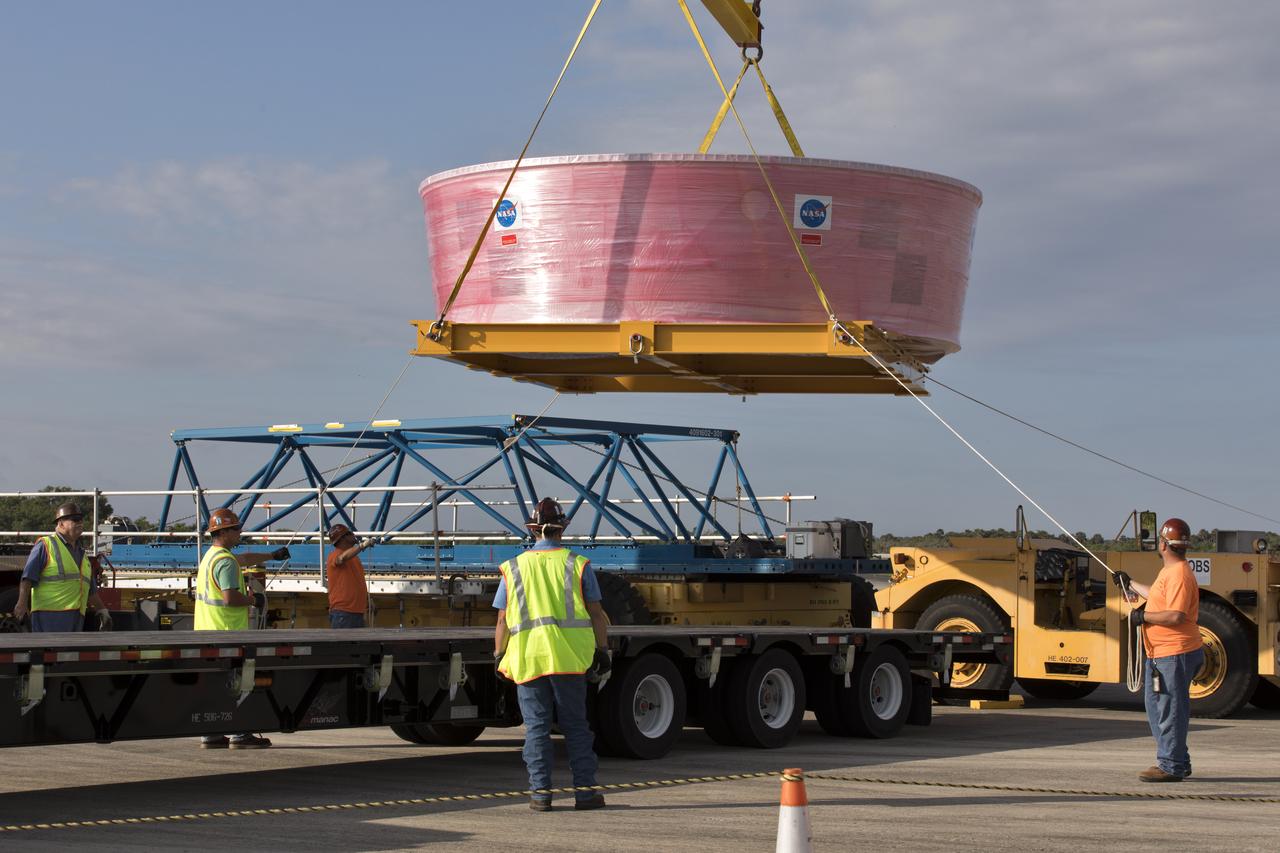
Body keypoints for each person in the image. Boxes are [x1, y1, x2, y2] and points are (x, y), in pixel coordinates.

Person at [493, 498, 612, 811]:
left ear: (533, 530)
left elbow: (502, 619)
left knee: (536, 729)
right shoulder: (578, 564)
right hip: (569, 659)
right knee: (575, 727)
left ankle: (540, 795)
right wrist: (603, 651)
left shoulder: (513, 567)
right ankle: (585, 794)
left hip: (529, 660)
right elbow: (596, 614)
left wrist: (498, 654)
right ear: (563, 529)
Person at [1112, 517, 1204, 782]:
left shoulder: (1179, 574)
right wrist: (1129, 583)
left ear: (1164, 544)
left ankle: (1171, 765)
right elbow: (1156, 594)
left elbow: (1175, 616)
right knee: (1159, 706)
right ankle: (1176, 760)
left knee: (1168, 708)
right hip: (1162, 653)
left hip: (1173, 654)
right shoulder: (1171, 571)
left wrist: (1143, 618)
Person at [195, 507, 290, 749]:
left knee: (215, 686)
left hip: (208, 631)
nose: (240, 532)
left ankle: (212, 734)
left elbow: (245, 559)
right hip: (228, 631)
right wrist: (252, 600)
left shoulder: (212, 556)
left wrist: (272, 556)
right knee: (239, 682)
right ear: (224, 532)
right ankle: (240, 734)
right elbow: (229, 598)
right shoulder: (225, 562)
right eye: (236, 528)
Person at [14, 502, 112, 633]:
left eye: (81, 520)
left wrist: (102, 610)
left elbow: (90, 590)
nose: (80, 523)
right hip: (49, 616)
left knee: (69, 654)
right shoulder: (45, 545)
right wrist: (22, 603)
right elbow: (27, 578)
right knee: (49, 653)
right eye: (75, 520)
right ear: (61, 524)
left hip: (75, 618)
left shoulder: (82, 555)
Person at [325, 524, 370, 628]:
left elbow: (358, 581)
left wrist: (367, 600)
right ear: (342, 538)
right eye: (349, 533)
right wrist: (362, 546)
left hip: (356, 612)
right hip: (343, 613)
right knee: (345, 644)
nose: (353, 534)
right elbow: (341, 559)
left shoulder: (354, 558)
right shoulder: (334, 556)